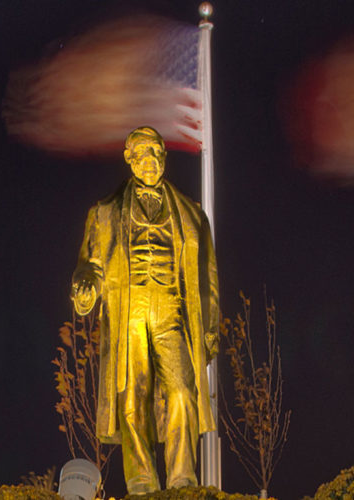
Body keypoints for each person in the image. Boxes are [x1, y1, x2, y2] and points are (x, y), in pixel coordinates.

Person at [71, 126, 219, 494]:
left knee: (183, 391)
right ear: (129, 159)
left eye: (155, 154)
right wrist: (86, 284)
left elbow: (208, 279)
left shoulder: (192, 215)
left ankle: (183, 479)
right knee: (132, 399)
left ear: (164, 158)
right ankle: (141, 482)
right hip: (129, 311)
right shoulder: (104, 213)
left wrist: (210, 328)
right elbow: (90, 264)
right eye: (141, 155)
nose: (149, 162)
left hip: (172, 310)